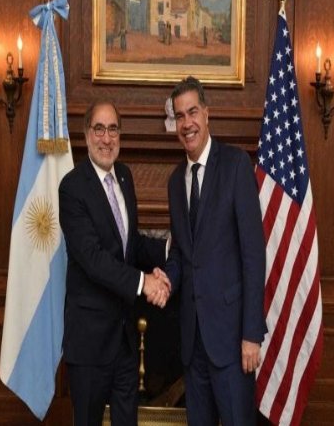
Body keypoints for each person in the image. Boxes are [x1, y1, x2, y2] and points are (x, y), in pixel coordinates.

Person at [59, 100, 170, 426]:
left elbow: (130, 244)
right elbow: (93, 259)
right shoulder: (72, 187)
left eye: (113, 129)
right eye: (99, 129)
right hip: (89, 342)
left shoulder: (124, 176)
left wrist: (170, 249)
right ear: (86, 134)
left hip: (124, 337)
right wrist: (144, 282)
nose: (106, 139)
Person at [164, 76, 266, 425]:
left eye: (192, 112)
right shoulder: (175, 182)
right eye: (179, 116)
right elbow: (181, 254)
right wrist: (165, 280)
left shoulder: (236, 165)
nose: (186, 123)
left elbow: (254, 255)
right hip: (193, 343)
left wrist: (251, 333)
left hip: (233, 341)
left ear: (207, 114)